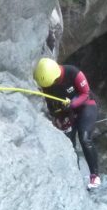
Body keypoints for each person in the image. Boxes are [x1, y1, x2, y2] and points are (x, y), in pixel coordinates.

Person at [34, 57, 102, 189]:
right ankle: (75, 177)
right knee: (68, 144)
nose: (51, 85)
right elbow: (51, 106)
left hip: (86, 106)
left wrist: (72, 104)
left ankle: (95, 176)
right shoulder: (48, 85)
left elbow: (85, 93)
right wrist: (58, 117)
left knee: (85, 138)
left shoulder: (73, 72)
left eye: (53, 82)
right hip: (67, 113)